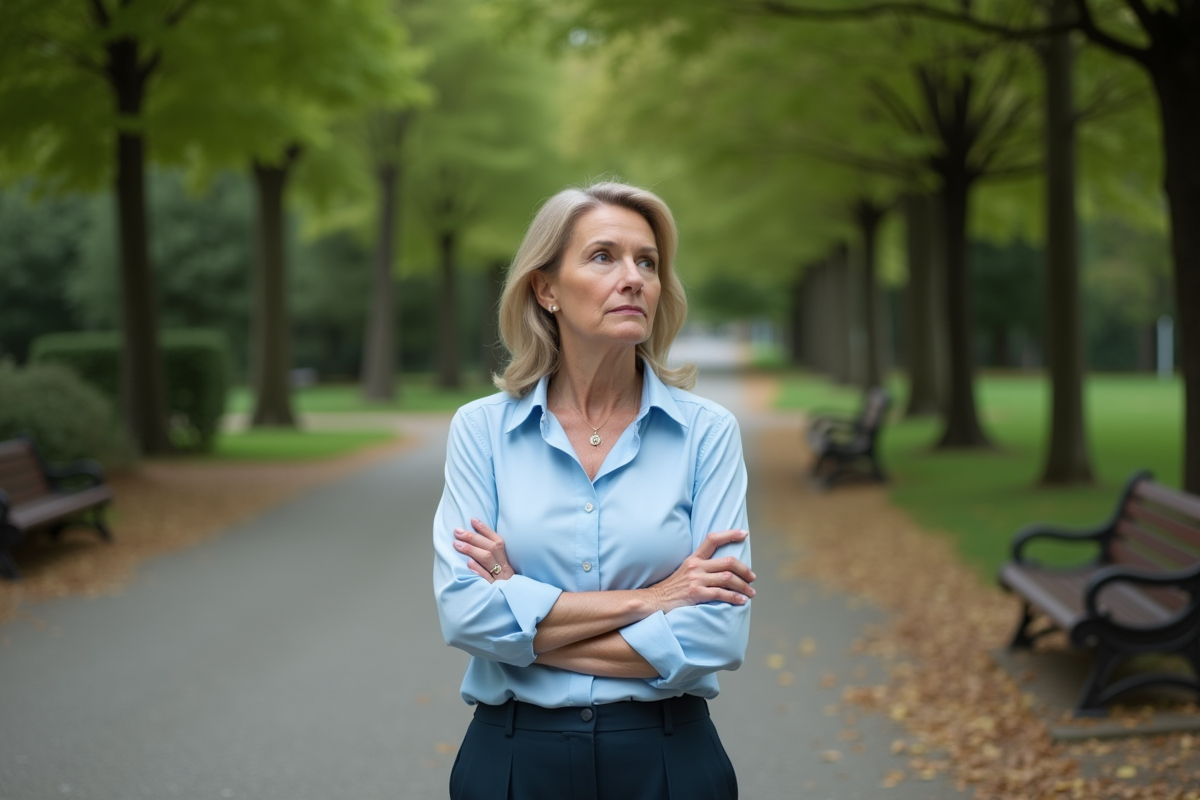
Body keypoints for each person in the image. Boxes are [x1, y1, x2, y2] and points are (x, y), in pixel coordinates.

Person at [432, 181, 754, 800]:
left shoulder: (707, 434)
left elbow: (716, 635)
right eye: (603, 256)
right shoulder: (481, 431)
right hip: (512, 763)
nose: (633, 277)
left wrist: (521, 620)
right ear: (545, 288)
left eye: (648, 262)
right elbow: (466, 615)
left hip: (668, 760)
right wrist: (656, 598)